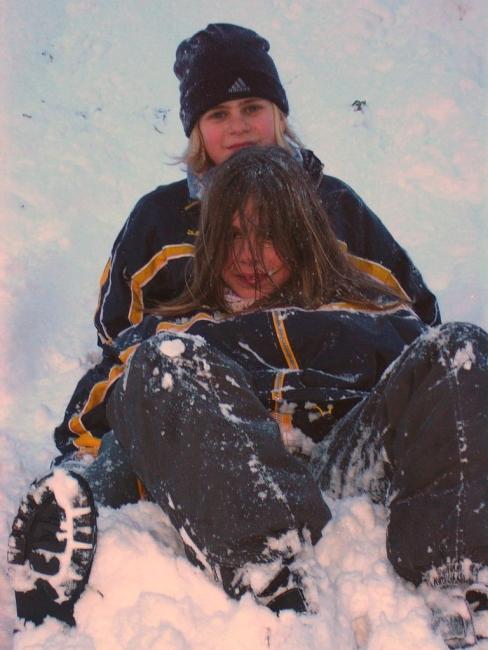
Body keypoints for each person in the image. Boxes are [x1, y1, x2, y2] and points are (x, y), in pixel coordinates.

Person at [8, 147, 487, 648]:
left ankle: (459, 593)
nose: (249, 256)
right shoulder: (176, 330)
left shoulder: (371, 317)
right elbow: (89, 423)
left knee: (459, 351)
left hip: (344, 470)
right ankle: (276, 587)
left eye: (270, 234)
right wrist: (80, 478)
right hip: (231, 487)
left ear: (304, 235)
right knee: (161, 365)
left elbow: (439, 405)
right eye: (234, 235)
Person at [93, 22, 440, 352]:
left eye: (252, 107)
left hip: (333, 398)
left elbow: (417, 319)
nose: (238, 127)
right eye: (218, 114)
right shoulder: (159, 216)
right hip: (208, 400)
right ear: (196, 128)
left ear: (279, 115)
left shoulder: (335, 204)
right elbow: (118, 334)